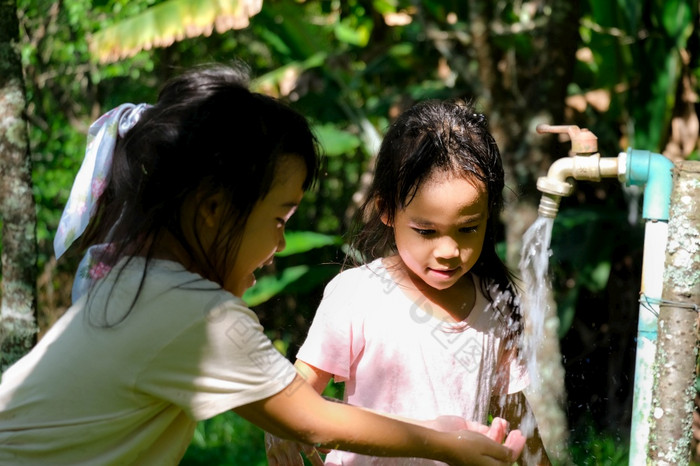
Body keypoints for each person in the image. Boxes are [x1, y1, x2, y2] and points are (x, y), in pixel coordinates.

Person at [0, 64, 525, 466]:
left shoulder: (135, 280)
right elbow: (314, 419)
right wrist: (446, 442)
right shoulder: (197, 316)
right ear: (213, 211)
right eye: (279, 218)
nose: (281, 242)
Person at [266, 99, 551, 465]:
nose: (449, 250)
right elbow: (300, 388)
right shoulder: (358, 295)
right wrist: (279, 427)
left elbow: (517, 422)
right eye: (426, 231)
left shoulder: (492, 305)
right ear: (387, 211)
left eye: (468, 229)